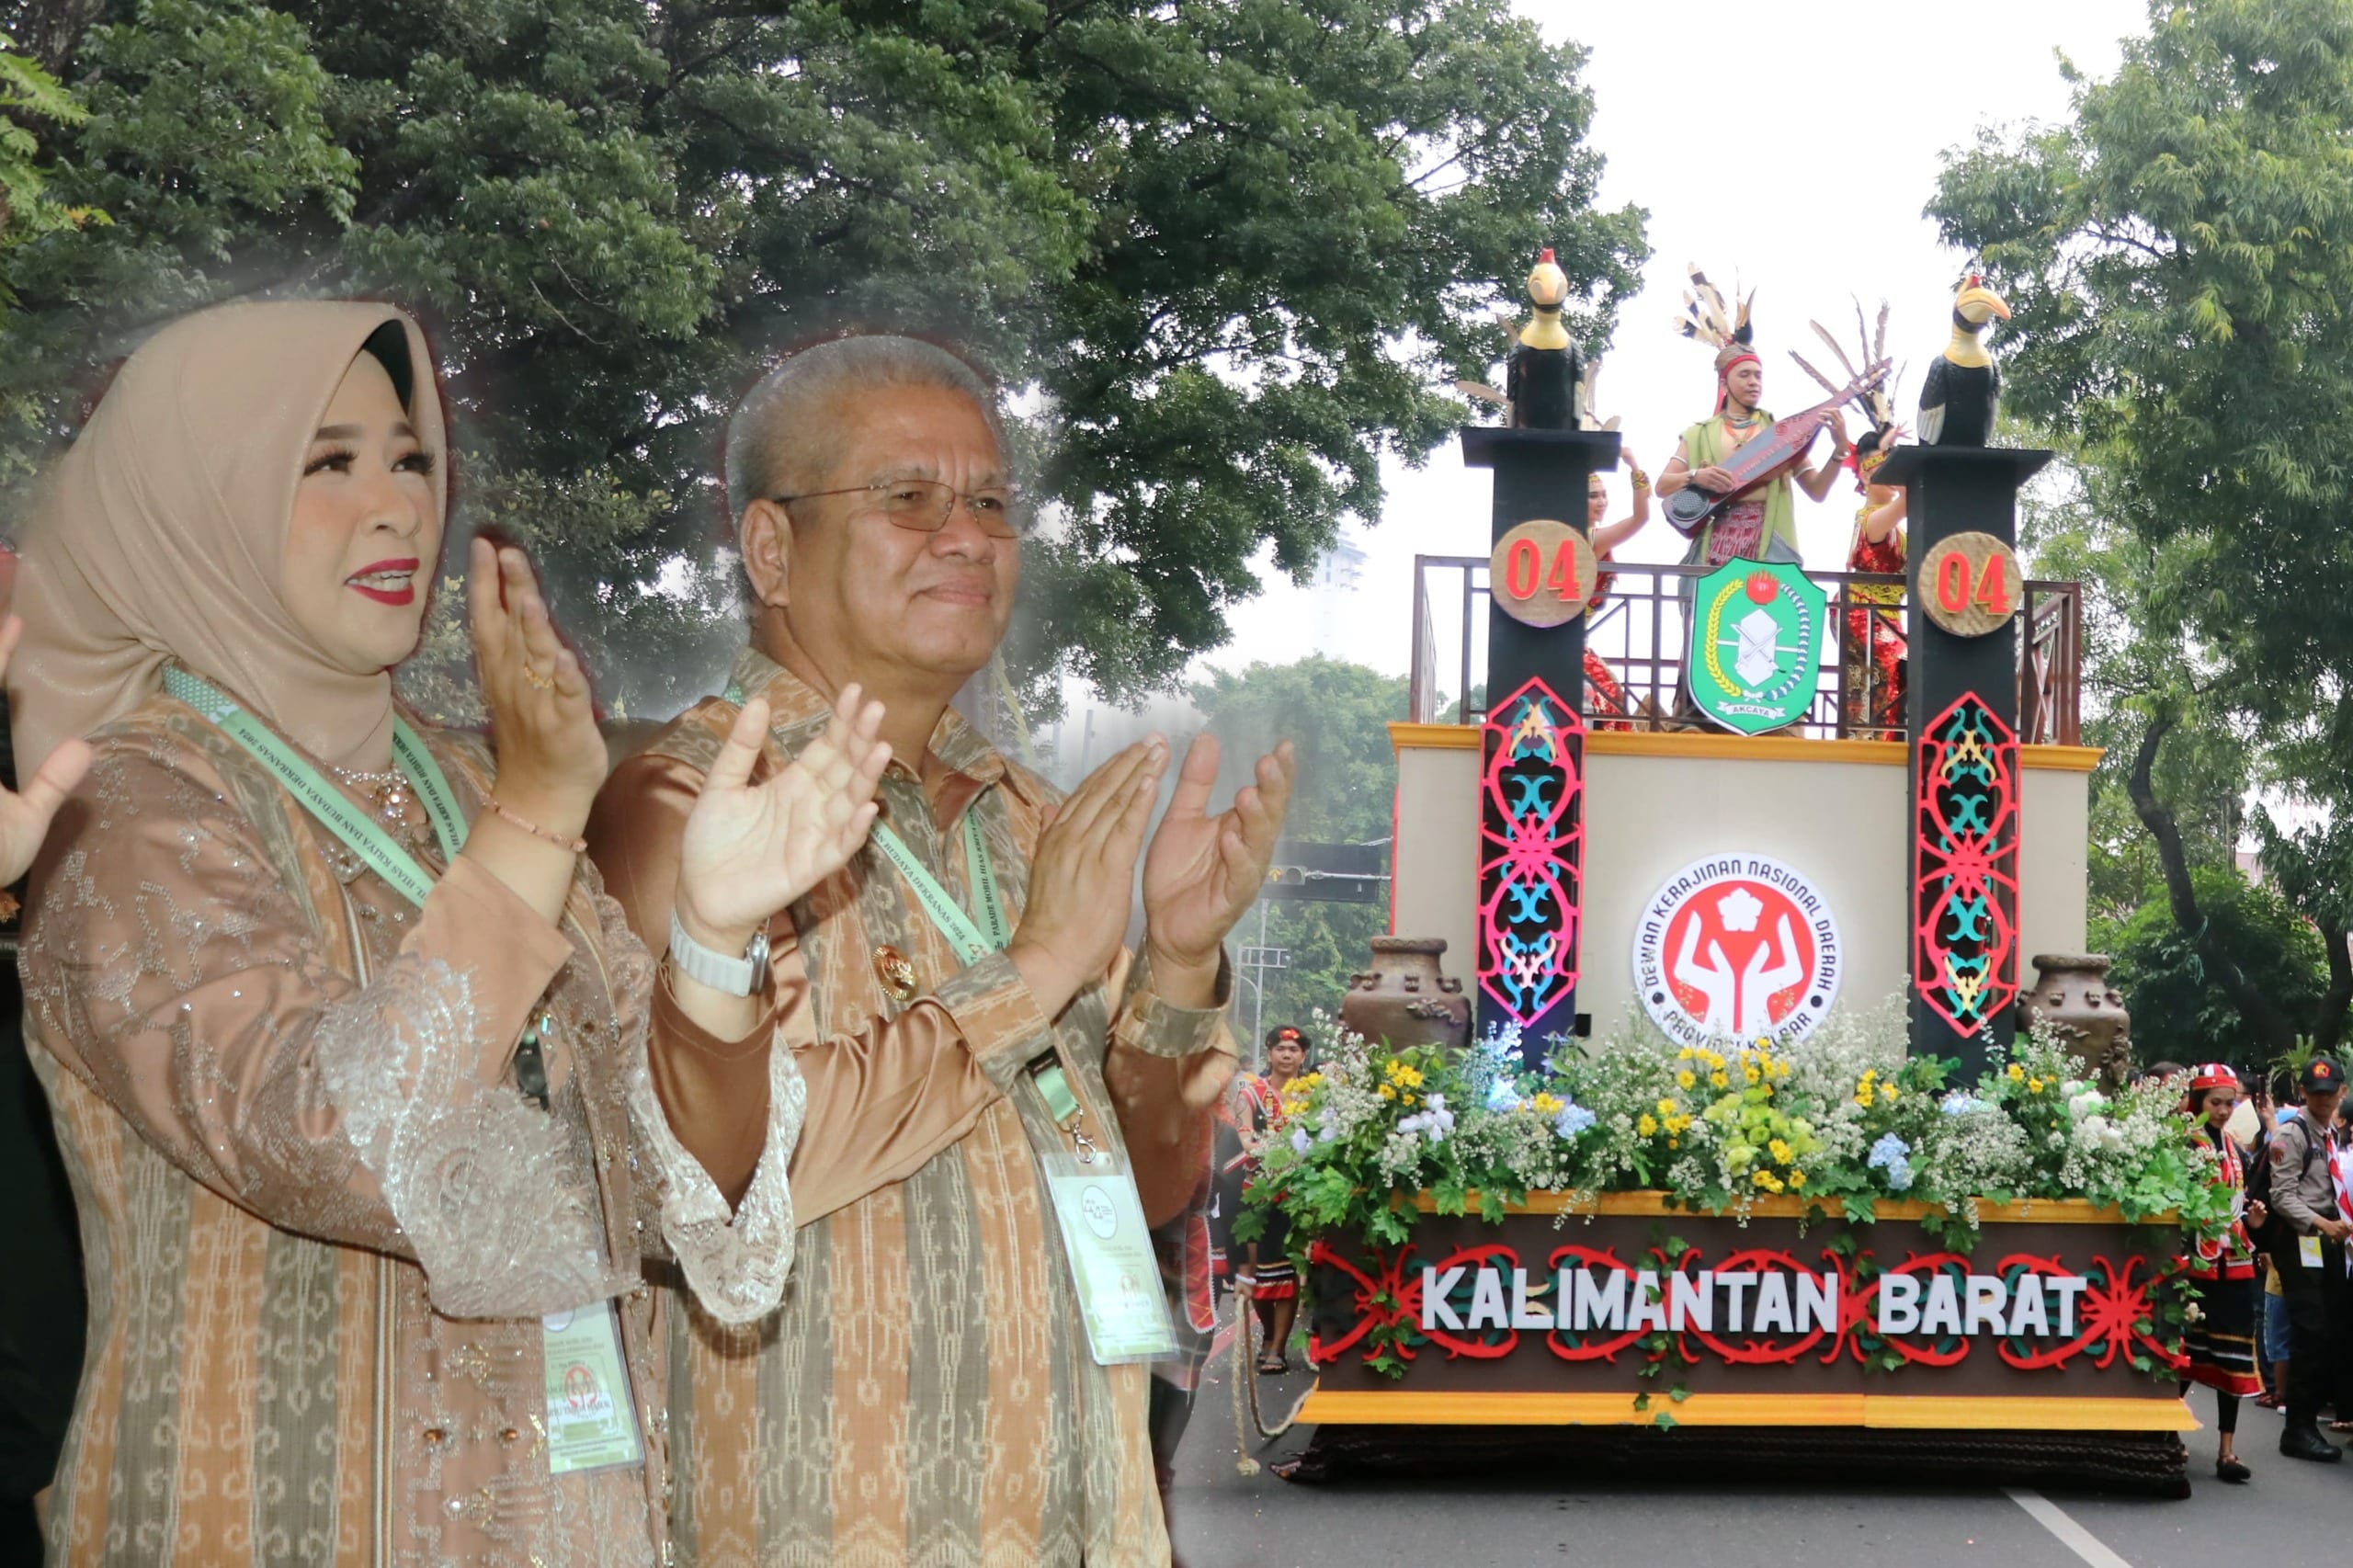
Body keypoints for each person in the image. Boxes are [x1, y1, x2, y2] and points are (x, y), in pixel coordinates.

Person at [9, 300, 886, 1565]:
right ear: (193, 502)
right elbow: (328, 1138)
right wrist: (533, 819)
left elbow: (673, 1192)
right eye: (327, 463)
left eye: (412, 459)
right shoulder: (131, 805)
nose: (396, 509)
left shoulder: (472, 784)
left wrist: (711, 937)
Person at [586, 334, 1294, 1566]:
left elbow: (1146, 1188)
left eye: (991, 504)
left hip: (1079, 1514)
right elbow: (718, 1188)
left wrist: (1180, 962)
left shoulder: (1031, 821)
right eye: (908, 497)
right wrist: (1031, 971)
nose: (965, 537)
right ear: (770, 548)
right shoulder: (680, 806)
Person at [1654, 286, 1849, 574]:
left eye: (1758, 376)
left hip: (1769, 547)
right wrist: (1696, 476)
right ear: (1724, 383)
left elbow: (1817, 490)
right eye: (1744, 375)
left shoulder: (1781, 434)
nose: (1753, 382)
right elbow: (1662, 486)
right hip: (1714, 547)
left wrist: (1840, 448)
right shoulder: (1698, 434)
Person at [2178, 1064, 2264, 1482]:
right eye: (2216, 1102)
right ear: (2199, 1102)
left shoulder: (2234, 1147)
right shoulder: (2183, 1144)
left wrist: (2253, 1221)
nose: (2224, 1111)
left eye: (2230, 1103)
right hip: (2197, 1260)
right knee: (2187, 1351)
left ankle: (2227, 1450)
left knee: (2235, 1354)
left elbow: (2237, 1206)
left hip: (2235, 1260)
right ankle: (2165, 1433)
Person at [2266, 1055, 2347, 1461]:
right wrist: (2322, 1223)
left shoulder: (2331, 1133)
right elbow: (2282, 1197)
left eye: (2329, 1093)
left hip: (2328, 1239)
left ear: (2342, 1092)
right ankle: (2297, 1429)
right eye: (2315, 1093)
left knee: (2332, 1329)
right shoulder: (2291, 1134)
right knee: (2310, 1330)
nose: (2323, 1100)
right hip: (2301, 1239)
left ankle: (2309, 1421)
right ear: (2302, 1093)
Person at [1234, 1025, 1310, 1372]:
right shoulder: (1250, 1094)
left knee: (1289, 1269)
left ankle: (1278, 1347)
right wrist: (1277, 1152)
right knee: (1259, 1271)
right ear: (1269, 1053)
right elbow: (1246, 1141)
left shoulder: (1312, 1096)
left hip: (1299, 1195)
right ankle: (1268, 1334)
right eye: (1281, 1048)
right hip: (1258, 1192)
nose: (1287, 1055)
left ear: (1303, 1056)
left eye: (1293, 1050)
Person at [1840, 427, 1908, 736]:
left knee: (1880, 683)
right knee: (1892, 669)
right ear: (1866, 475)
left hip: (1885, 616)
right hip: (1864, 613)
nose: (1894, 478)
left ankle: (1880, 737)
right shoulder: (1870, 519)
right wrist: (1885, 448)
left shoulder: (1892, 526)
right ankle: (1878, 739)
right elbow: (1907, 501)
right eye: (1886, 469)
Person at [1581, 465, 1651, 731]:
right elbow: (1640, 518)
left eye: (1604, 495)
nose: (1602, 502)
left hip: (1569, 640)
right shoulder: (1591, 539)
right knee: (1609, 696)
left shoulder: (1577, 537)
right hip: (1566, 644)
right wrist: (1634, 467)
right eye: (1593, 496)